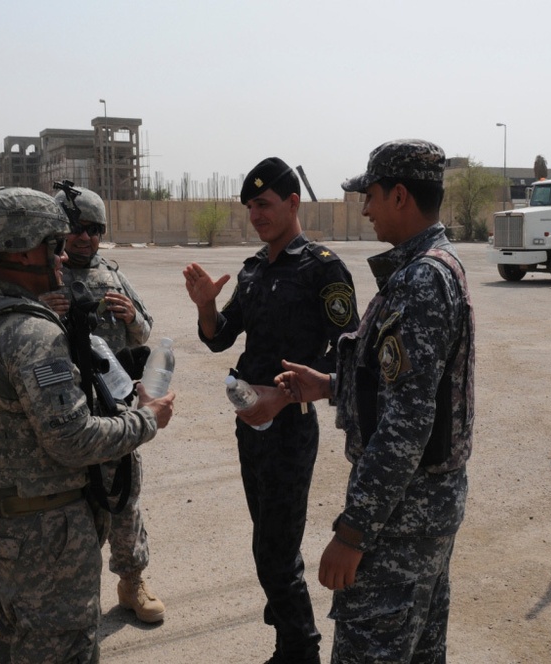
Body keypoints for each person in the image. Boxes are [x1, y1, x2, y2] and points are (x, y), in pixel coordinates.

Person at [0, 187, 174, 663]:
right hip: (45, 532)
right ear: (25, 248)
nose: (65, 254)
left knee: (19, 641)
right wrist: (147, 420)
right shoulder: (31, 331)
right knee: (61, 648)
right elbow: (73, 439)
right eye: (56, 243)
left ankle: (132, 577)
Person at [275, 139, 475, 664]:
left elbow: (408, 421)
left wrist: (354, 529)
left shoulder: (420, 281)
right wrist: (328, 384)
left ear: (401, 196)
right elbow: (409, 388)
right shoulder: (433, 267)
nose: (364, 209)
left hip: (401, 519)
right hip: (423, 509)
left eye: (372, 195)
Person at [183, 157, 359, 664]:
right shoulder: (254, 269)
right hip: (250, 425)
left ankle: (300, 648)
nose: (255, 215)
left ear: (292, 202)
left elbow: (349, 350)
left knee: (275, 553)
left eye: (263, 204)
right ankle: (287, 636)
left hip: (289, 427)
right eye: (249, 207)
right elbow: (220, 338)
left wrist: (285, 393)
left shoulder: (323, 267)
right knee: (268, 543)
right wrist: (204, 307)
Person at [39, 186, 165, 624]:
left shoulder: (112, 275)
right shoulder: (41, 276)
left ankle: (132, 581)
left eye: (94, 230)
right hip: (62, 411)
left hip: (113, 412)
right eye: (76, 229)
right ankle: (74, 593)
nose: (84, 238)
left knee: (124, 497)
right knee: (70, 506)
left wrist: (131, 316)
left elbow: (145, 332)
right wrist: (41, 308)